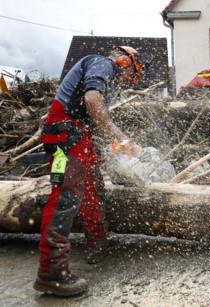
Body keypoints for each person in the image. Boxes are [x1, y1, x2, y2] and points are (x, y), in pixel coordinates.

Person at [33, 46, 143, 297]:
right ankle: (51, 272)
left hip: (76, 137)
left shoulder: (103, 75)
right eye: (128, 75)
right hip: (66, 138)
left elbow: (97, 117)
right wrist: (119, 140)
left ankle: (98, 244)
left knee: (92, 189)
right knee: (64, 199)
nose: (124, 80)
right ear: (125, 62)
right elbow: (92, 102)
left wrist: (120, 144)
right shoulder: (103, 64)